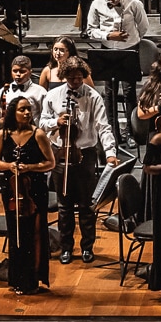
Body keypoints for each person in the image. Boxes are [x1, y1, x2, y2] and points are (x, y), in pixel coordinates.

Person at [43, 57, 119, 264]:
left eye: (79, 77)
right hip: (60, 153)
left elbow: (104, 127)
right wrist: (55, 122)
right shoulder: (52, 96)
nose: (75, 81)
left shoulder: (93, 97)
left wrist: (110, 152)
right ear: (64, 76)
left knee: (87, 206)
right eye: (71, 77)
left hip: (85, 154)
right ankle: (66, 247)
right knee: (63, 206)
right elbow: (41, 123)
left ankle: (87, 247)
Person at [0, 94, 56, 294]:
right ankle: (17, 279)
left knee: (35, 235)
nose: (27, 112)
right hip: (12, 189)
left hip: (34, 190)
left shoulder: (38, 134)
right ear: (13, 112)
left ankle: (33, 279)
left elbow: (50, 162)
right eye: (22, 109)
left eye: (29, 109)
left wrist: (30, 167)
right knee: (16, 233)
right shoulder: (3, 135)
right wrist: (10, 166)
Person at [85, 0, 149, 53]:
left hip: (130, 47)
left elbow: (143, 26)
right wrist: (108, 36)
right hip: (107, 47)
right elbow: (91, 30)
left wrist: (133, 39)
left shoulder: (134, 3)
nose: (113, 2)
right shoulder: (96, 4)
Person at [0, 54, 46, 132]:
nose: (18, 74)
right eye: (15, 71)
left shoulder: (40, 92)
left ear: (30, 72)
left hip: (31, 133)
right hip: (8, 133)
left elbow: (46, 115)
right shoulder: (5, 90)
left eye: (22, 71)